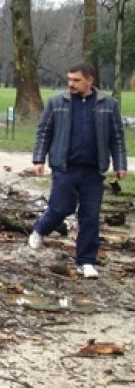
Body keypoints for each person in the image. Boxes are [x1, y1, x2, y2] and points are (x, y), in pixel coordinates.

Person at [28, 62, 127, 279]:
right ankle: (40, 229)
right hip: (64, 167)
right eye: (69, 80)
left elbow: (117, 136)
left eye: (76, 80)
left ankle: (86, 261)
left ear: (90, 80)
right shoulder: (57, 103)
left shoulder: (108, 104)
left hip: (93, 171)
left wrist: (120, 164)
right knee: (61, 207)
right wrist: (39, 159)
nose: (71, 84)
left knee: (90, 216)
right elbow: (44, 132)